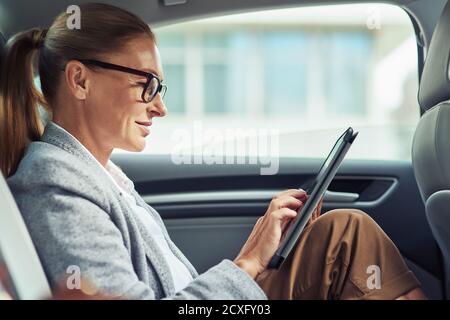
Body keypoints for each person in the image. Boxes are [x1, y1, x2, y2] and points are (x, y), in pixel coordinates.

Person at [0, 3, 425, 300]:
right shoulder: (55, 182)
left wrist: (253, 258)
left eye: (160, 88)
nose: (160, 106)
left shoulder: (102, 176)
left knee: (341, 231)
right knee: (347, 236)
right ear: (79, 81)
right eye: (145, 83)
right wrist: (246, 265)